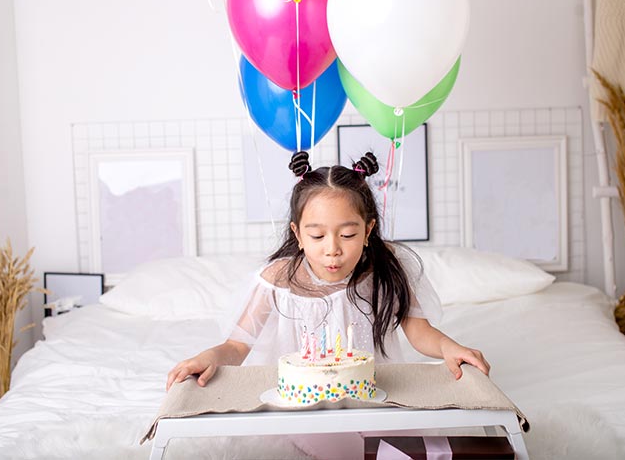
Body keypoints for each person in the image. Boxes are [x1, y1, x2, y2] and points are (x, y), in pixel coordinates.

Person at [167, 151, 490, 391]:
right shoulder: (277, 280)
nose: (332, 248)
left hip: (371, 393)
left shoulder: (387, 268)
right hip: (296, 399)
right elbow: (237, 347)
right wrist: (209, 356)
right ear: (297, 234)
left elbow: (419, 332)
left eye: (348, 235)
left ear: (368, 230)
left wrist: (451, 348)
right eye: (317, 236)